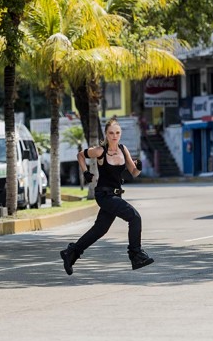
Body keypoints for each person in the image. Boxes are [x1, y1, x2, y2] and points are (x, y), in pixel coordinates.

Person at [60, 118, 154, 275]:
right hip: (104, 195)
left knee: (100, 229)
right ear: (106, 134)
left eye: (117, 133)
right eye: (111, 133)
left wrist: (139, 167)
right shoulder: (100, 151)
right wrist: (85, 172)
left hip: (116, 195)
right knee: (134, 217)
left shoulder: (123, 150)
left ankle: (71, 252)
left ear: (120, 134)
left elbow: (134, 172)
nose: (114, 136)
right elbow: (80, 155)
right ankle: (136, 255)